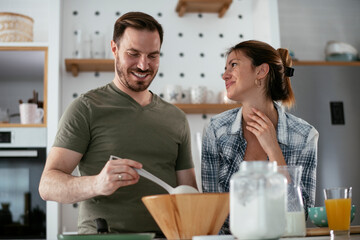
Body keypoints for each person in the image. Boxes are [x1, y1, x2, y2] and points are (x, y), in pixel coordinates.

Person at [39, 12, 197, 235]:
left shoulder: (176, 118)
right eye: (133, 54)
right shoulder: (86, 108)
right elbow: (47, 186)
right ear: (114, 49)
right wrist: (97, 184)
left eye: (153, 55)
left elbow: (188, 193)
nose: (144, 65)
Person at [201, 40, 319, 234]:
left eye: (234, 65)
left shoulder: (304, 136)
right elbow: (211, 210)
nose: (225, 75)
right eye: (225, 67)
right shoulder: (216, 130)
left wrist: (274, 150)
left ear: (261, 71)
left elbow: (300, 215)